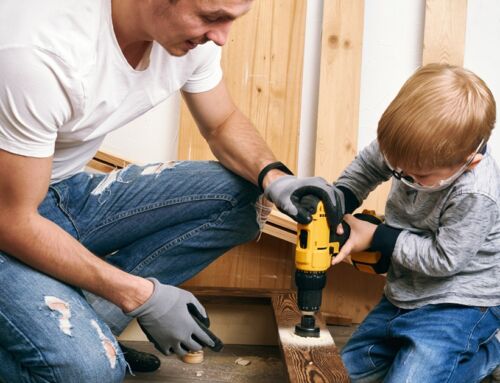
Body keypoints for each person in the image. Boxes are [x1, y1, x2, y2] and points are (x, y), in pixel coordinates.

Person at [0, 0, 344, 381]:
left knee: (241, 194)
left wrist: (275, 177)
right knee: (89, 373)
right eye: (212, 18)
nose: (222, 37)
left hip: (57, 190)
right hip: (9, 215)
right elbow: (12, 220)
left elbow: (222, 122)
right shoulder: (38, 52)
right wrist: (141, 296)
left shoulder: (188, 43)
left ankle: (85, 327)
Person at [330, 63, 500, 382]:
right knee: (346, 373)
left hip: (460, 304)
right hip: (404, 293)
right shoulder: (408, 147)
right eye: (398, 169)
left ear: (469, 161)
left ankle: (486, 355)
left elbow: (444, 259)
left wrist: (380, 237)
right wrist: (339, 202)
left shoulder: (476, 192)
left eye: (418, 176)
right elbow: (366, 169)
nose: (405, 177)